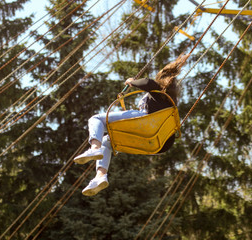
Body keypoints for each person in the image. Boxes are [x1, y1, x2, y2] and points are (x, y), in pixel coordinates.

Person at [74, 55, 189, 196]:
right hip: (158, 142)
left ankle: (94, 148)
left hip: (144, 122)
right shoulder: (170, 104)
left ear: (161, 80)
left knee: (96, 119)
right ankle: (100, 177)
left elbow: (148, 82)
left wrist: (132, 82)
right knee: (107, 141)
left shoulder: (157, 90)